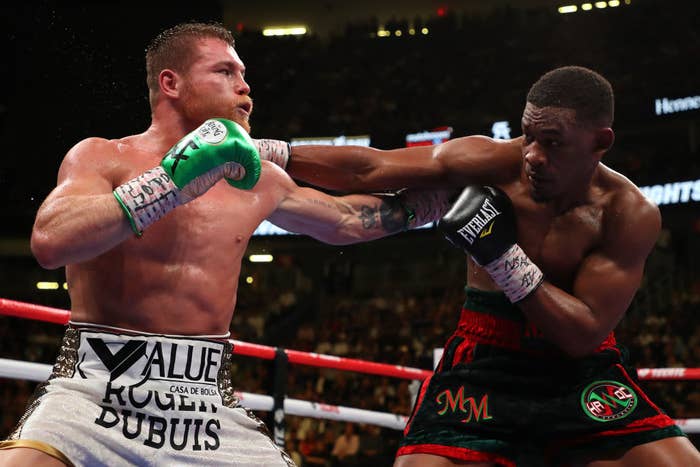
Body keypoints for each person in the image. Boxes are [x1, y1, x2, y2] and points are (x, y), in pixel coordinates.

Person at [0, 22, 451, 467]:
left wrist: (438, 204)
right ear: (171, 83)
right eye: (225, 73)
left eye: (243, 74)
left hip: (206, 404)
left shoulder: (258, 179)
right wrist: (171, 182)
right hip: (93, 390)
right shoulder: (102, 156)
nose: (245, 87)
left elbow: (349, 220)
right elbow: (50, 241)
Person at [263, 67, 700, 466]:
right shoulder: (493, 163)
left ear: (599, 142)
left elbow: (582, 333)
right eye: (528, 136)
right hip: (482, 365)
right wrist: (268, 151)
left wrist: (502, 256)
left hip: (576, 374)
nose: (531, 155)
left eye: (552, 143)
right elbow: (371, 168)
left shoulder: (627, 213)